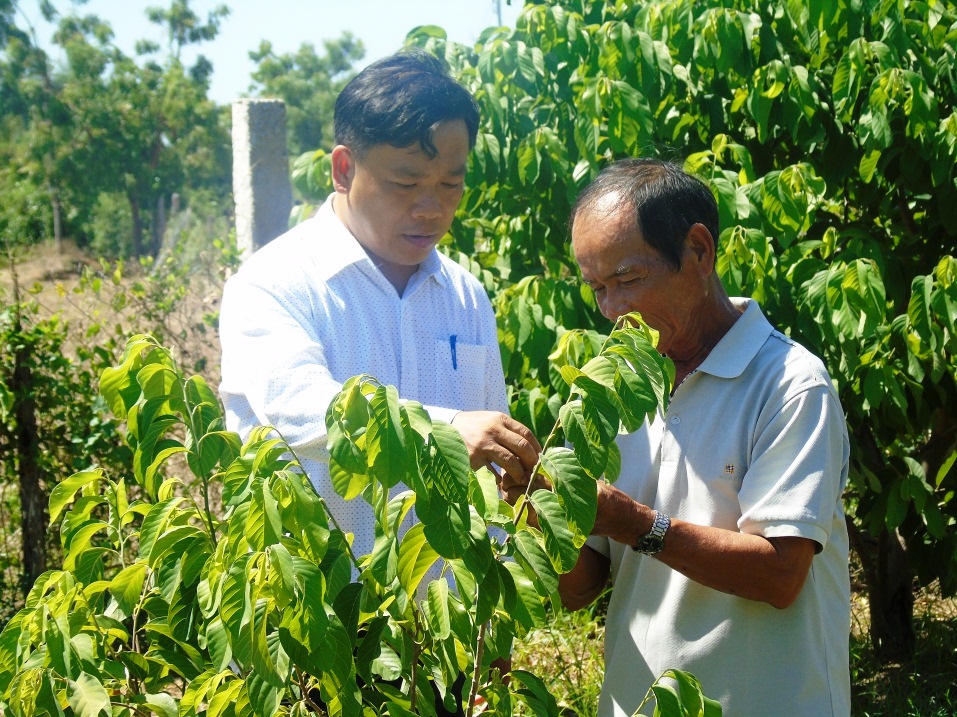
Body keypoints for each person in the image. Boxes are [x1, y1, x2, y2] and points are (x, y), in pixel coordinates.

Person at [218, 50, 539, 710]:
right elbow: (298, 409)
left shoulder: (465, 296)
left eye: (451, 184)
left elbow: (488, 475)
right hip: (318, 639)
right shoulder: (275, 284)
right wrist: (446, 428)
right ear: (343, 168)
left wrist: (491, 633)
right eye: (405, 182)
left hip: (443, 641)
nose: (431, 207)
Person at [507, 159, 851, 715]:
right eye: (597, 288)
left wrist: (630, 521)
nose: (613, 310)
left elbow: (781, 573)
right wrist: (542, 514)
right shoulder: (616, 391)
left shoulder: (790, 384)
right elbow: (581, 589)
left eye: (628, 279)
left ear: (698, 251)